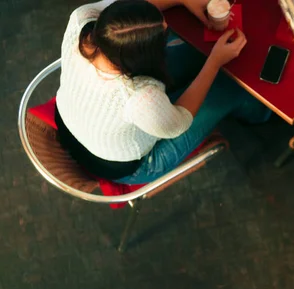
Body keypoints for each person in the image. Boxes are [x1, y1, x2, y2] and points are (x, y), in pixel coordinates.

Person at [56, 0, 270, 184]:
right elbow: (181, 121)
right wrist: (214, 63)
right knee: (230, 85)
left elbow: (136, 13)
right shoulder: (140, 97)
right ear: (143, 61)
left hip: (72, 120)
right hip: (125, 165)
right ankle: (258, 113)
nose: (166, 25)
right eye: (164, 33)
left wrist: (183, 1)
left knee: (194, 55)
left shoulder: (83, 20)